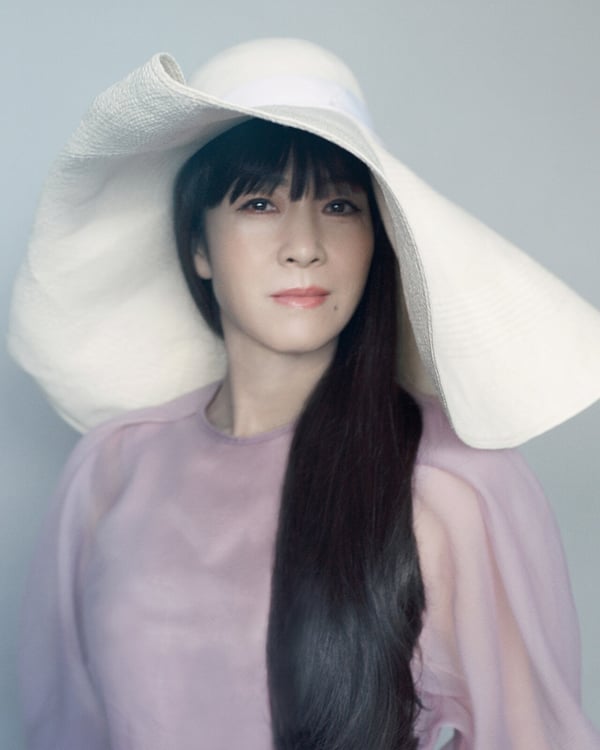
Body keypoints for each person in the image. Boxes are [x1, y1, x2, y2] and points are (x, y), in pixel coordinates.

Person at [9, 39, 600, 750]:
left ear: (377, 241)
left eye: (340, 205)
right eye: (260, 202)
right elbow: (66, 726)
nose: (304, 245)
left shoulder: (450, 481)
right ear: (198, 247)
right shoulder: (113, 467)